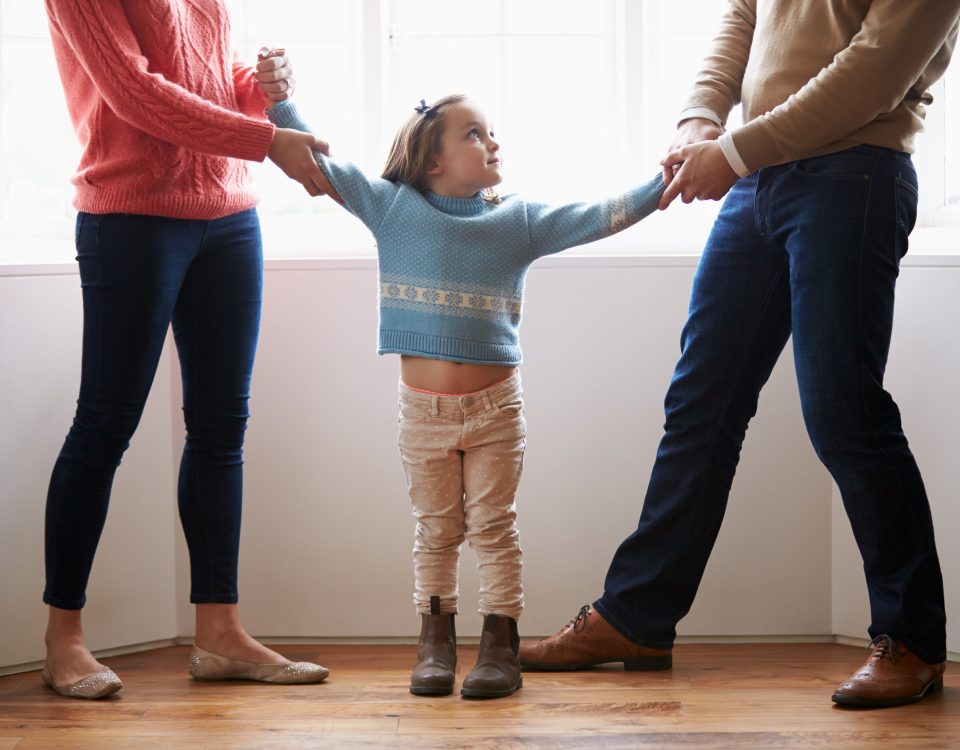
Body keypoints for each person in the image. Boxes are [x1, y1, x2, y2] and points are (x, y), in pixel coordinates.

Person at [520, 0, 959, 709]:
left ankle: (911, 640)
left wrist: (732, 151)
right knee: (701, 403)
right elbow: (744, 17)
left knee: (843, 410)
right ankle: (637, 617)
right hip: (760, 180)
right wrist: (701, 118)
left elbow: (874, 70)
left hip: (854, 176)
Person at [265, 95, 664, 698]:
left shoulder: (517, 220)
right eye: (474, 134)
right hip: (422, 414)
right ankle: (435, 642)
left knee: (494, 527)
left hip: (496, 410)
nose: (492, 141)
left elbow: (601, 215)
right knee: (436, 529)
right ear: (431, 161)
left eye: (491, 131)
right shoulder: (392, 207)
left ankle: (500, 645)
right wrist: (279, 100)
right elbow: (321, 163)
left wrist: (668, 180)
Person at [42, 1, 332, 699]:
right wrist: (266, 140)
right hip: (132, 218)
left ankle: (220, 633)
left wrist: (262, 87)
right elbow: (134, 92)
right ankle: (63, 640)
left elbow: (208, 77)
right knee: (104, 424)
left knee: (220, 428)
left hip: (229, 218)